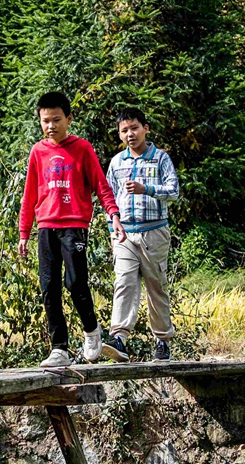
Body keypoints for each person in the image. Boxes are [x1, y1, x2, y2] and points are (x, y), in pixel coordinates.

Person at [18, 92, 127, 367]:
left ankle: (92, 332)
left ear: (69, 118)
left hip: (74, 225)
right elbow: (29, 195)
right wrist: (23, 233)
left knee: (76, 282)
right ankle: (59, 348)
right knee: (49, 286)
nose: (51, 126)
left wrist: (113, 214)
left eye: (56, 120)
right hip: (45, 227)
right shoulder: (38, 152)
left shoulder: (82, 148)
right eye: (45, 121)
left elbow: (101, 185)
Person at [102, 108, 179, 362]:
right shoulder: (117, 162)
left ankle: (162, 340)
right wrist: (113, 224)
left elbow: (173, 190)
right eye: (124, 130)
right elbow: (108, 197)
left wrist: (146, 188)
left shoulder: (160, 158)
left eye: (134, 128)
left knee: (156, 286)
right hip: (124, 233)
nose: (130, 134)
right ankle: (119, 338)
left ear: (146, 128)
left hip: (154, 232)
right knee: (124, 283)